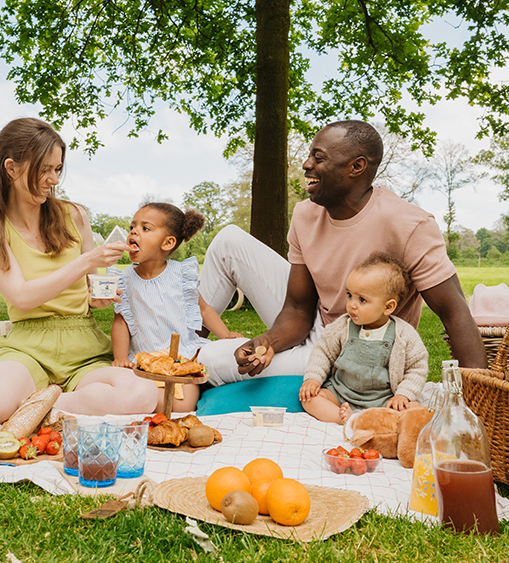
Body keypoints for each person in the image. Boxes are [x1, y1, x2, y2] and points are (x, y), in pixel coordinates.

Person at [198, 120, 486, 385]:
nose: (306, 164)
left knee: (208, 360)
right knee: (228, 241)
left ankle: (188, 361)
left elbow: (454, 312)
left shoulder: (409, 225)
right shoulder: (305, 215)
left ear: (356, 167)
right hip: (318, 325)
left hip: (359, 348)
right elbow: (298, 309)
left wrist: (477, 400)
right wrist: (267, 342)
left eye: (318, 158)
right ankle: (179, 350)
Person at [0, 118, 158, 424]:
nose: (53, 179)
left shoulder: (74, 215)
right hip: (29, 347)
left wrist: (98, 297)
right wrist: (86, 261)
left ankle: (39, 405)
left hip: (83, 345)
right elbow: (22, 298)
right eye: (44, 169)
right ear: (11, 168)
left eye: (58, 169)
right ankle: (48, 402)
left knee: (142, 394)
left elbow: (93, 288)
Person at [110, 202, 244, 411]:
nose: (134, 232)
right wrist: (119, 358)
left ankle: (149, 402)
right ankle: (141, 399)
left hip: (181, 356)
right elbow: (121, 322)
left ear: (167, 243)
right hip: (144, 358)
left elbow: (204, 310)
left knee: (183, 403)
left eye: (145, 228)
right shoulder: (124, 279)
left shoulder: (179, 275)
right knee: (126, 383)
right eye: (132, 227)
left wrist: (225, 335)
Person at [299, 253, 428, 424]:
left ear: (388, 307)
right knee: (310, 399)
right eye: (349, 295)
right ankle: (345, 418)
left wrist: (403, 395)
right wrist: (313, 378)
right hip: (340, 393)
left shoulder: (404, 334)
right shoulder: (342, 326)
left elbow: (416, 368)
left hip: (384, 399)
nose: (352, 304)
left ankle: (373, 418)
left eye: (362, 300)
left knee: (414, 410)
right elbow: (323, 352)